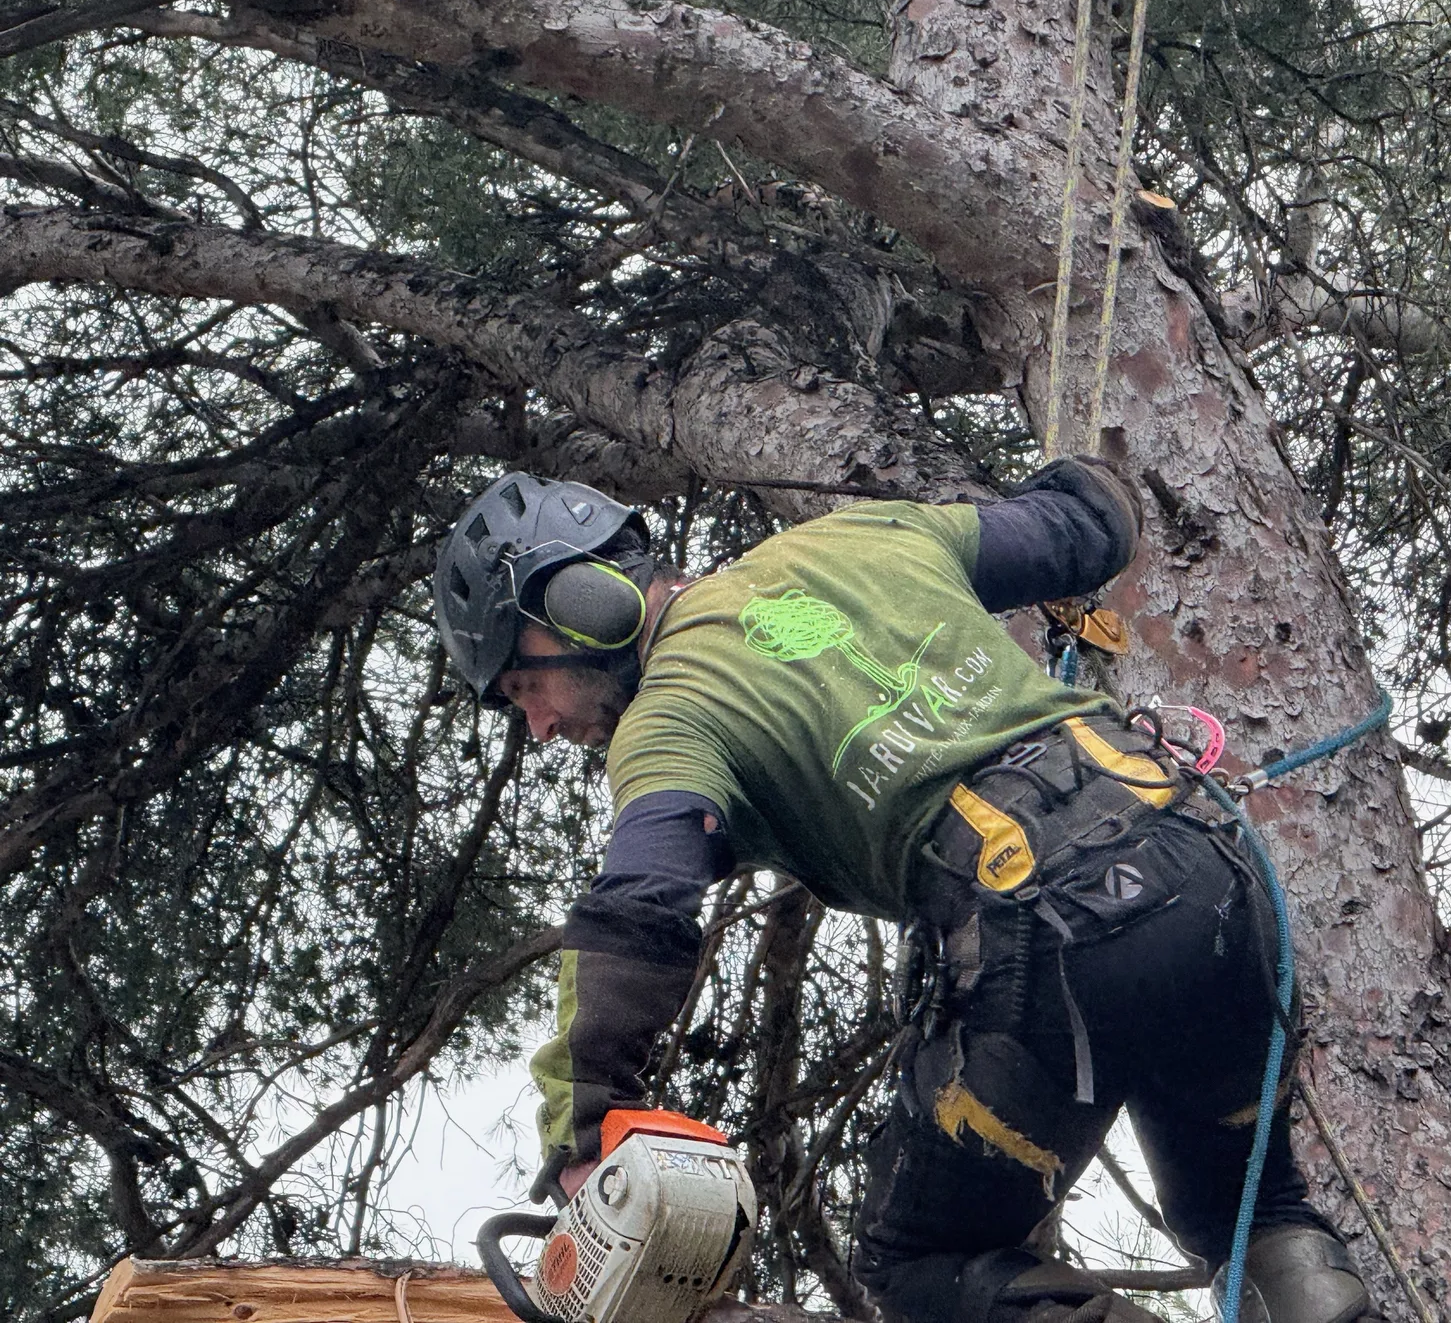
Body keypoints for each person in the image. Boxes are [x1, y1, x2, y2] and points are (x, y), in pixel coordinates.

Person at [432, 463, 1383, 1323]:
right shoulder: (868, 535)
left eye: (524, 688)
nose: (543, 727)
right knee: (1250, 1212)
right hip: (1211, 873)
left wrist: (589, 1122)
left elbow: (637, 907)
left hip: (1051, 927)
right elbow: (1088, 527)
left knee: (921, 1262)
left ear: (583, 604)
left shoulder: (670, 716)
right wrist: (1086, 484)